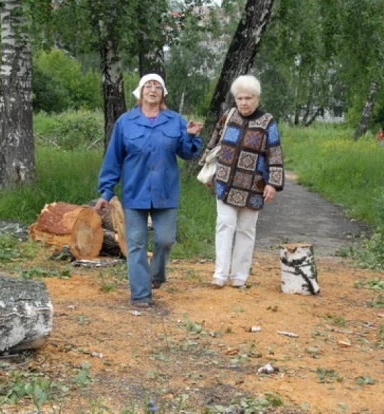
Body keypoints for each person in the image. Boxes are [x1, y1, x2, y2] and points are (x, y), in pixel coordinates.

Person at [94, 74, 203, 308]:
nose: (152, 90)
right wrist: (106, 192)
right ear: (140, 92)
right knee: (135, 244)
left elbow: (187, 153)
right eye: (148, 86)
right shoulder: (126, 122)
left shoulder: (174, 120)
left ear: (163, 93)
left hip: (165, 192)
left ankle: (156, 275)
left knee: (165, 240)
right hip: (135, 191)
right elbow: (113, 158)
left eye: (157, 86)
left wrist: (192, 136)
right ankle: (141, 295)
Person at [201, 75, 284, 288]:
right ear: (235, 99)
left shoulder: (267, 122)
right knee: (225, 225)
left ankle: (239, 276)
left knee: (246, 230)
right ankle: (219, 274)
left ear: (257, 98)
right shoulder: (228, 117)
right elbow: (213, 143)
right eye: (240, 98)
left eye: (248, 98)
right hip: (225, 182)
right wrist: (207, 172)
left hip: (253, 187)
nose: (244, 103)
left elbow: (274, 153)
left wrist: (272, 183)